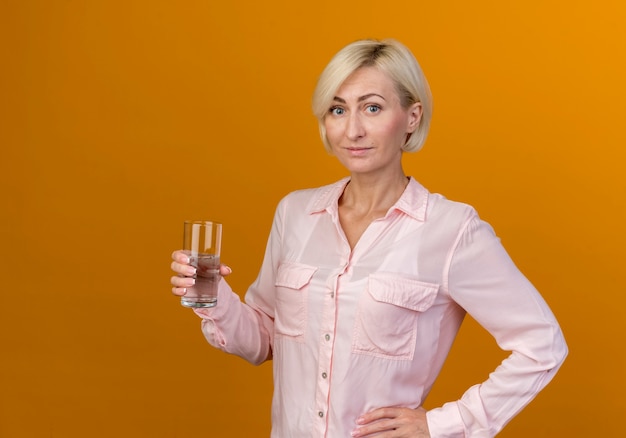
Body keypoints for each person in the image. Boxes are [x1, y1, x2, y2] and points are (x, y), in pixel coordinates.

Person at [170, 38, 567, 437]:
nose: (352, 130)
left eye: (372, 108)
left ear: (412, 117)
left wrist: (442, 424)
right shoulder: (295, 213)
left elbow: (542, 345)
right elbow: (262, 341)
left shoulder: (452, 230)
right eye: (338, 109)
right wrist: (214, 296)